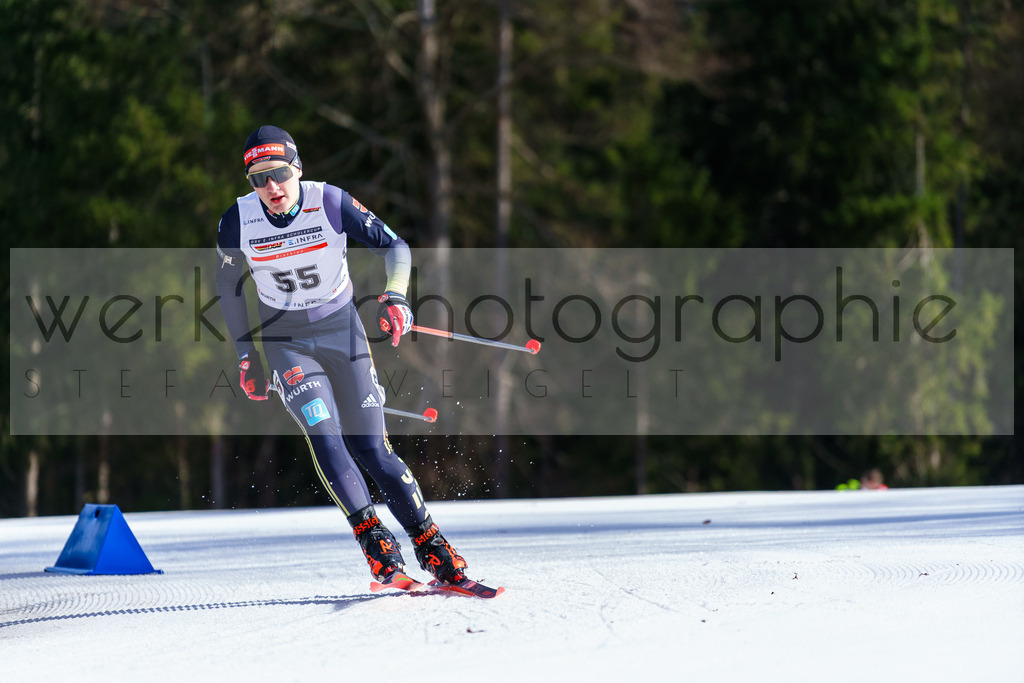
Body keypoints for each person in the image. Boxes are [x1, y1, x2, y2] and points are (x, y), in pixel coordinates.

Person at [214, 125, 468, 587]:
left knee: (372, 447)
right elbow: (228, 288)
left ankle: (431, 544)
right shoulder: (236, 220)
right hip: (286, 344)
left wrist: (396, 297)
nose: (271, 187)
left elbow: (396, 247)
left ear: (298, 169)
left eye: (279, 174)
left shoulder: (329, 201)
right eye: (258, 178)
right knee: (327, 437)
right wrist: (246, 357)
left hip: (342, 334)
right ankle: (377, 547)